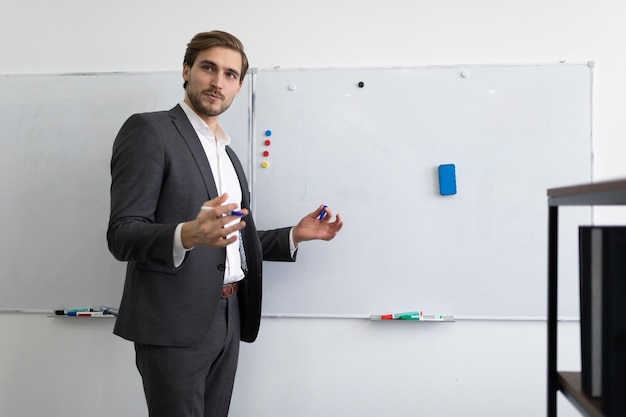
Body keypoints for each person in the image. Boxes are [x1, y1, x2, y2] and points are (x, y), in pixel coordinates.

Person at [106, 30, 343, 417]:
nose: (218, 82)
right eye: (208, 68)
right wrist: (186, 234)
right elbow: (122, 234)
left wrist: (293, 236)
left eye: (230, 75)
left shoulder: (228, 154)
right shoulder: (150, 131)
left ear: (239, 87)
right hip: (173, 321)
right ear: (186, 71)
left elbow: (229, 240)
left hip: (230, 316)